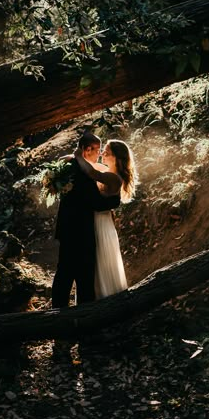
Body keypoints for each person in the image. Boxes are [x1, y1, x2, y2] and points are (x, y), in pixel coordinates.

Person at [51, 132, 120, 308]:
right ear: (86, 149)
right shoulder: (83, 173)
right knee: (84, 275)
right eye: (97, 149)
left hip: (67, 228)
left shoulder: (69, 166)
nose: (99, 154)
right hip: (81, 231)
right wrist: (114, 201)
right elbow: (96, 203)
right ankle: (84, 313)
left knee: (64, 273)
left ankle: (58, 311)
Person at [74, 139, 137, 299]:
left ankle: (103, 297)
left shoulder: (114, 178)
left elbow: (92, 173)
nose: (102, 153)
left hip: (101, 223)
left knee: (100, 259)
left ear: (116, 158)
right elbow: (90, 167)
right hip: (98, 220)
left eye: (106, 152)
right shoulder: (107, 170)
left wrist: (78, 156)